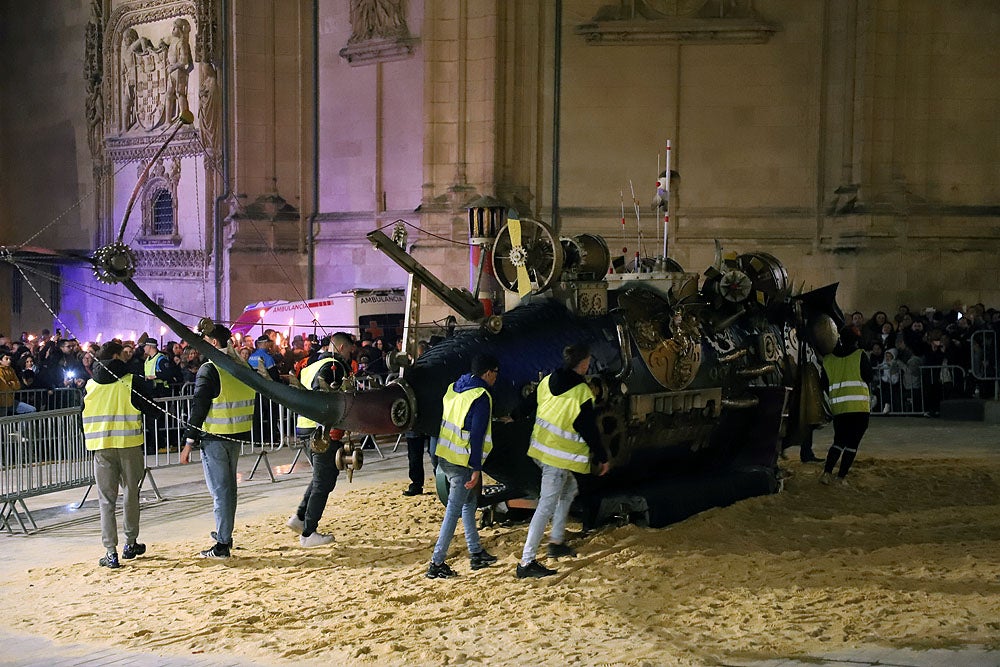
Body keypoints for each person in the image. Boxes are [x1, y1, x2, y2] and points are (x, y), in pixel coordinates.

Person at [516, 343, 610, 579]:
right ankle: (526, 562)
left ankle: (556, 540)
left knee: (569, 489)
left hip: (541, 451)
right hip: (557, 459)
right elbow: (589, 429)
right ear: (585, 364)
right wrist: (602, 457)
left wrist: (514, 416)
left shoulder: (547, 381)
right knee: (546, 506)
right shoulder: (581, 393)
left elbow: (530, 403)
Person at [180, 324, 256, 558]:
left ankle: (222, 544)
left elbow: (200, 405)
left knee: (221, 491)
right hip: (237, 433)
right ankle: (225, 533)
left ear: (213, 343)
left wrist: (188, 441)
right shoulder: (239, 365)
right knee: (228, 490)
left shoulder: (209, 368)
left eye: (204, 340)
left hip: (214, 435)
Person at [82, 341, 160, 569]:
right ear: (116, 357)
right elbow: (152, 409)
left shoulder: (90, 385)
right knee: (130, 493)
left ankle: (110, 552)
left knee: (106, 500)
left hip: (101, 447)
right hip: (129, 445)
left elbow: (82, 416)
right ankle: (130, 542)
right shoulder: (130, 381)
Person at [426, 354, 501, 579]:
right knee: (454, 511)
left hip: (445, 455)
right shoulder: (481, 396)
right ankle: (436, 563)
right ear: (488, 373)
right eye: (496, 373)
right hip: (462, 461)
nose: (497, 378)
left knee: (469, 503)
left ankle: (476, 551)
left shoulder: (455, 388)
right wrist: (476, 467)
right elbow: (477, 434)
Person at [286, 332, 356, 547]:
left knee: (322, 477)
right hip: (321, 433)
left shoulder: (310, 365)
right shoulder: (334, 366)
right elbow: (326, 398)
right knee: (323, 481)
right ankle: (308, 533)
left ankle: (300, 518)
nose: (350, 356)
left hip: (305, 428)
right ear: (342, 347)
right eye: (350, 351)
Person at [819, 326, 872, 486]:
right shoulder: (860, 355)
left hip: (839, 409)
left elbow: (823, 383)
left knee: (839, 441)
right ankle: (841, 477)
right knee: (852, 444)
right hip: (859, 408)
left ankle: (826, 473)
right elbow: (868, 377)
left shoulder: (828, 360)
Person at [403, 339, 433, 497]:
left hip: (423, 418)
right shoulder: (411, 373)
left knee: (429, 454)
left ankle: (418, 484)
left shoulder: (418, 372)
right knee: (417, 455)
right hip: (418, 419)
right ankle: (416, 483)